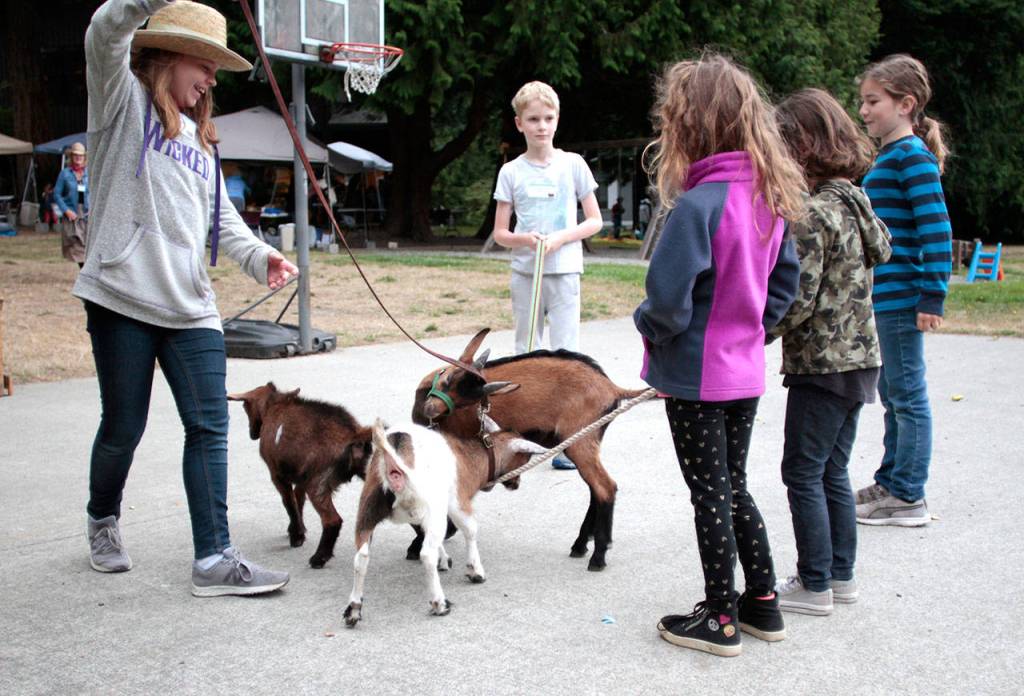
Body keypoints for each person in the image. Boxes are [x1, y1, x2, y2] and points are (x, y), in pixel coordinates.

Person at [73, 0, 299, 596]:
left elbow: (220, 219)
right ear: (171, 55)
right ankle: (102, 518)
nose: (210, 81)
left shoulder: (202, 141)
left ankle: (214, 558)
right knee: (123, 426)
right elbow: (105, 30)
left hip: (191, 307)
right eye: (204, 65)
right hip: (122, 295)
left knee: (208, 426)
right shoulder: (119, 101)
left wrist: (261, 257)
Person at [633, 53, 803, 657]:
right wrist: (753, 329)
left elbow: (667, 304)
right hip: (744, 372)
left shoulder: (696, 206)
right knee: (734, 486)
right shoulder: (769, 199)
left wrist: (647, 327)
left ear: (688, 126)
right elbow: (785, 285)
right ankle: (763, 603)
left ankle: (721, 617)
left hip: (695, 378)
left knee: (710, 493)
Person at [770, 88, 892, 616]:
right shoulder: (855, 201)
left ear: (802, 146)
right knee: (831, 471)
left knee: (802, 471)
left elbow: (797, 298)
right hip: (861, 361)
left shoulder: (814, 213)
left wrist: (752, 332)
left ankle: (815, 582)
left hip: (822, 365)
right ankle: (840, 576)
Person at [855, 54, 952, 526]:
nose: (864, 110)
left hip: (902, 298)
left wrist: (932, 296)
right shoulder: (890, 157)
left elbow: (936, 230)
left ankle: (908, 495)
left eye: (873, 101)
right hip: (884, 298)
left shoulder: (912, 156)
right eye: (862, 101)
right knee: (894, 396)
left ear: (905, 104)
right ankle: (891, 480)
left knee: (907, 397)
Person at [492, 81, 603, 470]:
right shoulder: (511, 171)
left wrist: (561, 238)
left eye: (548, 118)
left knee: (566, 354)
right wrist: (525, 239)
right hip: (527, 271)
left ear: (557, 120)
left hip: (565, 269)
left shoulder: (573, 165)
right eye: (534, 119)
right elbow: (500, 232)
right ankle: (527, 435)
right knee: (527, 352)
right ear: (519, 123)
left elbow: (594, 220)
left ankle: (569, 440)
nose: (542, 126)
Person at [55, 141, 90, 267]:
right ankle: (83, 271)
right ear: (71, 156)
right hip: (73, 216)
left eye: (81, 155)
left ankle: (86, 273)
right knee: (77, 248)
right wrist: (66, 210)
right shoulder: (65, 174)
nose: (78, 157)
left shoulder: (89, 173)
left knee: (89, 247)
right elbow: (57, 194)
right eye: (75, 155)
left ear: (84, 157)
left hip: (87, 215)